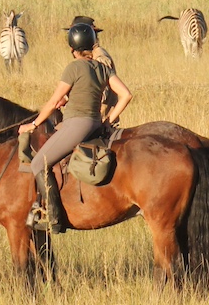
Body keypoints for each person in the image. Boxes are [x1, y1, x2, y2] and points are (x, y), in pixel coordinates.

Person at [18, 22, 133, 233]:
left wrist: (32, 125)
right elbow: (126, 95)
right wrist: (108, 120)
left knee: (37, 164)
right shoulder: (103, 68)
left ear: (73, 48)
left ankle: (53, 217)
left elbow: (53, 102)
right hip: (95, 124)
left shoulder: (73, 68)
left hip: (76, 124)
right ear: (92, 45)